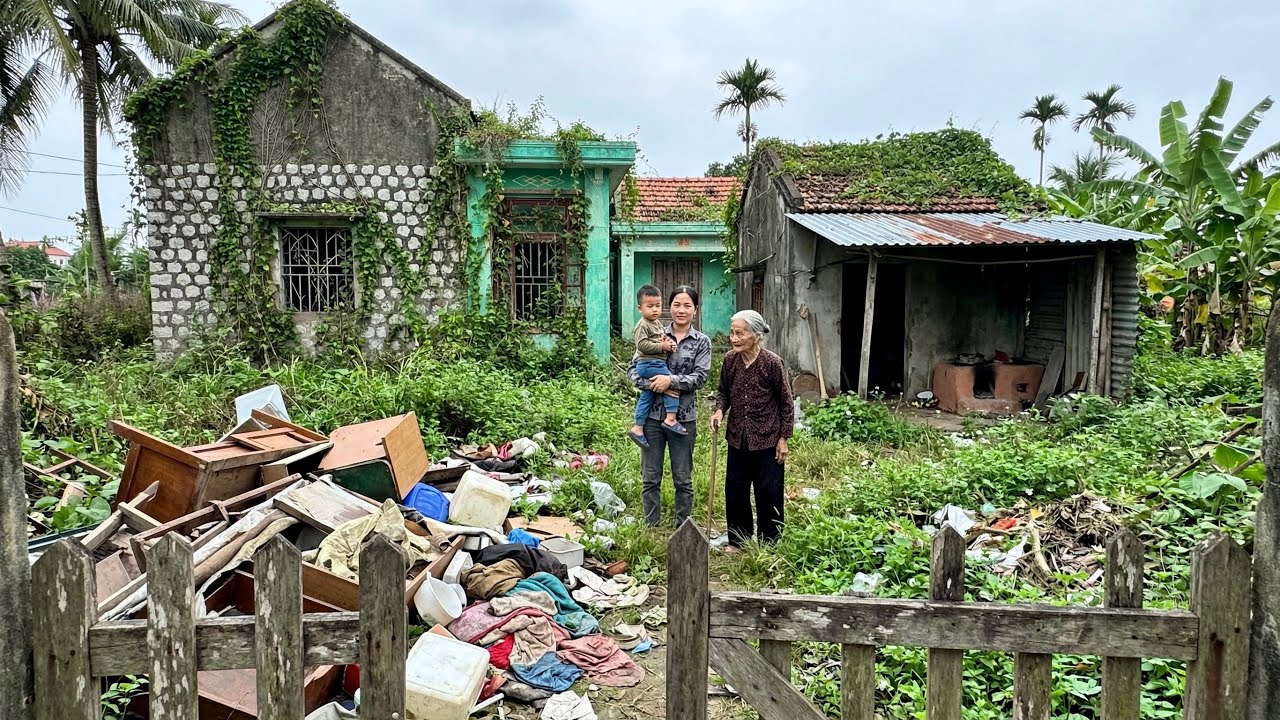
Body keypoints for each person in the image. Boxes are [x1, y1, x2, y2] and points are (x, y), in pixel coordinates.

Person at [627, 286, 712, 528]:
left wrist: (671, 381)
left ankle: (683, 528)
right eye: (677, 305)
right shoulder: (653, 333)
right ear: (669, 307)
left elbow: (701, 377)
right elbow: (633, 370)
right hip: (652, 418)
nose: (681, 310)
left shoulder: (702, 342)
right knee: (650, 477)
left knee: (683, 479)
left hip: (683, 418)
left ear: (695, 310)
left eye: (687, 305)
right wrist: (658, 386)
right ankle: (650, 527)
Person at [709, 310, 794, 549]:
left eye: (739, 333)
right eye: (732, 333)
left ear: (755, 336)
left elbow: (786, 403)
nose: (733, 338)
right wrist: (718, 411)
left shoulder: (772, 363)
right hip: (737, 437)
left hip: (768, 439)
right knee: (735, 491)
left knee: (769, 492)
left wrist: (784, 438)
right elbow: (723, 392)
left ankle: (770, 543)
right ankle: (738, 542)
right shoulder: (730, 361)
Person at [627, 285, 686, 448]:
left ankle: (638, 427)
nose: (655, 310)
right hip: (649, 363)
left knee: (647, 396)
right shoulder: (643, 324)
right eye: (650, 306)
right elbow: (641, 345)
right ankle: (671, 419)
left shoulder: (658, 324)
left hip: (653, 363)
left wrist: (669, 343)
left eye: (658, 306)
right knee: (670, 383)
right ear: (640, 308)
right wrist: (662, 347)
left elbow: (662, 339)